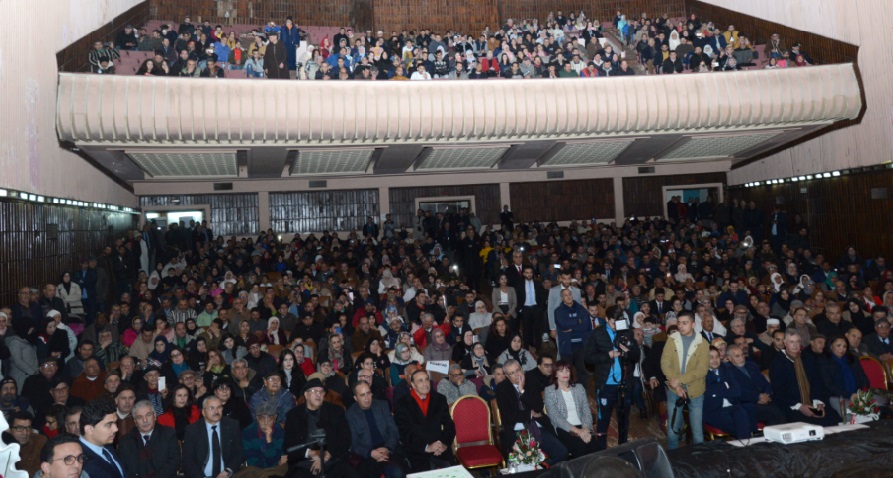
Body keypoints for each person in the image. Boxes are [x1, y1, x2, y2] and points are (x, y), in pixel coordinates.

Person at [584, 305, 639, 450]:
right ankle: (601, 450)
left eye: (619, 321)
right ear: (606, 319)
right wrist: (608, 355)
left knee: (624, 418)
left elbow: (637, 356)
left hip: (624, 383)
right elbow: (588, 358)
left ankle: (623, 447)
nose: (616, 325)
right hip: (606, 384)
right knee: (603, 419)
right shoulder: (597, 334)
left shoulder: (626, 333)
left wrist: (629, 350)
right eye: (613, 321)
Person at [283, 378, 359, 478]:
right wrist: (312, 454)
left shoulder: (335, 411)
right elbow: (288, 446)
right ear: (306, 395)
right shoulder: (293, 415)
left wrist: (325, 456)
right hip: (304, 464)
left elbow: (345, 439)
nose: (318, 394)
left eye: (321, 392)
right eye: (314, 391)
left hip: (332, 461)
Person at [496, 359, 567, 465]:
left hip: (539, 427)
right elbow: (508, 415)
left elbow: (538, 407)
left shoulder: (531, 381)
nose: (517, 374)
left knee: (562, 453)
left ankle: (544, 470)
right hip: (517, 431)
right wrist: (530, 414)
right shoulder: (502, 388)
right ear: (506, 375)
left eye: (518, 370)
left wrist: (522, 391)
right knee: (528, 460)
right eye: (512, 373)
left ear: (521, 369)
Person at [769, 330, 841, 426]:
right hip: (791, 404)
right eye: (791, 342)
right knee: (807, 424)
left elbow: (817, 383)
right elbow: (779, 391)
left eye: (797, 341)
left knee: (834, 418)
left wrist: (818, 402)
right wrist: (800, 406)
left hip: (812, 401)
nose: (795, 345)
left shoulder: (808, 358)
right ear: (785, 343)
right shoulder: (777, 362)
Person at [661, 311, 709, 450]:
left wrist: (679, 380)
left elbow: (702, 370)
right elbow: (665, 363)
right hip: (674, 389)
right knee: (673, 428)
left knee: (697, 431)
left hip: (695, 390)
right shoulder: (672, 339)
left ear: (693, 324)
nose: (681, 326)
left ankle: (699, 459)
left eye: (684, 323)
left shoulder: (703, 343)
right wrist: (676, 385)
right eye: (679, 323)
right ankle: (672, 457)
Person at [394, 369, 456, 472]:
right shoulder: (402, 404)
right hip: (417, 451)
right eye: (420, 381)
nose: (425, 384)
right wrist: (427, 447)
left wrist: (443, 443)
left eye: (427, 380)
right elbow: (404, 434)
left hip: (440, 449)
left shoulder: (440, 399)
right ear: (413, 385)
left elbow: (449, 425)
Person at [346, 381, 407, 478]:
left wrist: (388, 448)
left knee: (397, 473)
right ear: (355, 398)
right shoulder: (350, 414)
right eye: (362, 395)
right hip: (366, 456)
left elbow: (394, 431)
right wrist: (371, 453)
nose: (367, 398)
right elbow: (354, 444)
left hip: (388, 450)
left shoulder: (382, 405)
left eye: (368, 393)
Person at [725, 344, 786, 433]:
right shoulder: (728, 371)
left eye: (742, 354)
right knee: (774, 413)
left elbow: (764, 382)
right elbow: (738, 392)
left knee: (783, 407)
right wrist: (758, 397)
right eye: (737, 356)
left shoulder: (751, 365)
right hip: (747, 403)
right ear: (729, 358)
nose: (741, 358)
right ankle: (771, 440)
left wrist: (767, 393)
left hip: (765, 398)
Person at [543, 361, 597, 458]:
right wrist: (578, 431)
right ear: (555, 373)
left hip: (582, 425)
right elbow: (556, 417)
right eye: (561, 371)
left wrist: (585, 429)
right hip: (565, 428)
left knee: (595, 445)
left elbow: (586, 411)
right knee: (580, 446)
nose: (565, 373)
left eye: (567, 370)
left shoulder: (579, 388)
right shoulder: (549, 391)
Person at [182, 396, 243, 478]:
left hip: (226, 475)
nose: (216, 411)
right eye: (211, 408)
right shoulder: (193, 430)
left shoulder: (232, 425)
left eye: (219, 407)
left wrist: (228, 471)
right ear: (203, 412)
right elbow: (188, 460)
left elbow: (239, 453)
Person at [118, 399, 181, 478]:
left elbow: (174, 461)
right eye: (140, 417)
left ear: (154, 416)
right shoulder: (126, 441)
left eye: (148, 415)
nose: (145, 420)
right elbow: (123, 468)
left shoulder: (168, 434)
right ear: (135, 421)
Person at [703, 347, 751, 439]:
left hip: (732, 406)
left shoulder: (726, 368)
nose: (715, 360)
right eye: (711, 357)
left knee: (742, 413)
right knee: (741, 426)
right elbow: (708, 394)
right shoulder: (702, 373)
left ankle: (744, 447)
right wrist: (725, 386)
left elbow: (737, 391)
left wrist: (717, 391)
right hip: (714, 410)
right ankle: (745, 447)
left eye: (717, 357)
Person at [821, 335, 870, 418]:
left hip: (857, 395)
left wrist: (862, 392)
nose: (842, 349)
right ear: (831, 346)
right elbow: (828, 384)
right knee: (853, 417)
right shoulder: (825, 361)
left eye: (844, 346)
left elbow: (863, 377)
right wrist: (849, 395)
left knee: (871, 414)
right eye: (838, 345)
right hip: (838, 396)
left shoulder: (853, 359)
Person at [78, 398, 127, 478]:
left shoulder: (106, 444)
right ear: (89, 429)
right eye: (109, 424)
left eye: (115, 423)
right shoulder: (79, 460)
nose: (116, 429)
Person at [240, 400, 288, 478]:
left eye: (270, 418)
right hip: (255, 471)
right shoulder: (247, 433)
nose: (266, 423)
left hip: (275, 471)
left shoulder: (280, 432)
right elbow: (252, 461)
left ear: (275, 418)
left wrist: (269, 441)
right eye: (262, 418)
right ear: (256, 418)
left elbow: (278, 460)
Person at [9, 410, 46, 476]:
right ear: (10, 430)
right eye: (20, 428)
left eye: (28, 428)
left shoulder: (39, 441)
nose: (25, 433)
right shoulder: (3, 445)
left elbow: (39, 472)